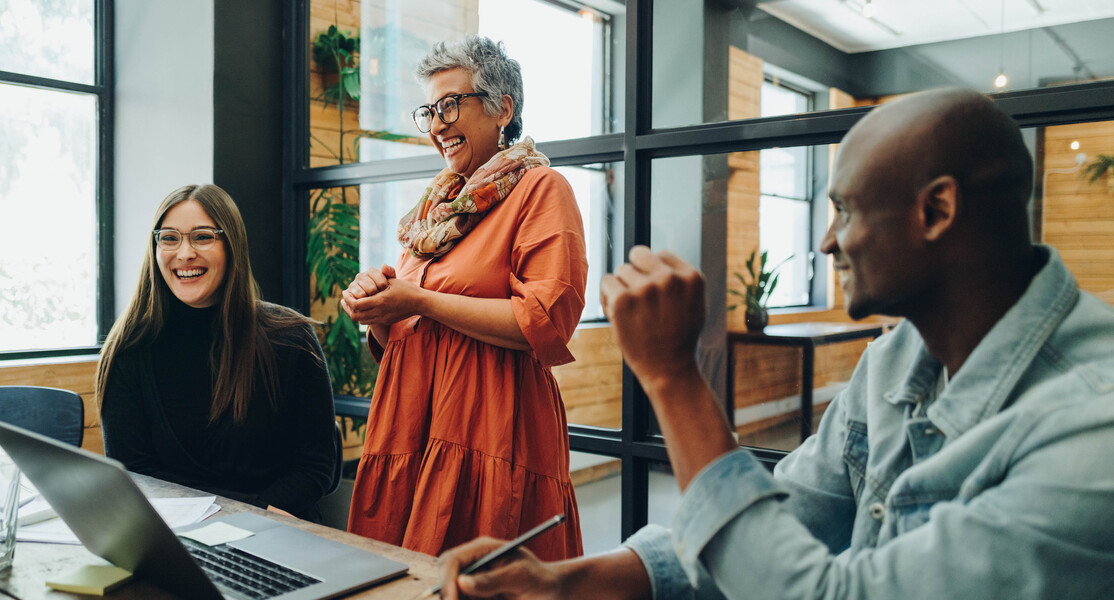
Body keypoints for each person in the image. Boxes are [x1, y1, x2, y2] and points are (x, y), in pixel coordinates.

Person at [434, 87, 1114, 599]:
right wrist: (566, 581)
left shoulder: (1090, 434)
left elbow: (812, 592)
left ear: (937, 211)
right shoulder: (895, 362)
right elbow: (777, 517)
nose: (825, 242)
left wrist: (673, 379)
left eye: (845, 210)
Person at [340, 35, 586, 560]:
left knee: (484, 577)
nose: (436, 125)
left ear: (503, 108)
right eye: (429, 110)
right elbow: (402, 338)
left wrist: (419, 301)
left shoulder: (541, 190)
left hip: (491, 430)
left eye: (451, 104)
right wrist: (378, 308)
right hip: (411, 427)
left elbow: (543, 322)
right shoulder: (435, 211)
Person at [97, 184, 338, 522]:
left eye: (202, 237)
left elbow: (316, 469)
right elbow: (135, 473)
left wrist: (244, 518)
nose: (184, 254)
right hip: (174, 536)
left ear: (232, 245)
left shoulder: (290, 337)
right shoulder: (129, 348)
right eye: (169, 238)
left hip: (275, 530)